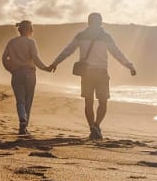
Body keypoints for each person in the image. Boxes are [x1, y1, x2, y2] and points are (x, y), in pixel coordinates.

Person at [48, 12, 136, 140]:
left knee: (88, 103)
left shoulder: (81, 35)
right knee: (103, 102)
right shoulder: (106, 36)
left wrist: (55, 63)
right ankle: (96, 125)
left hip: (87, 74)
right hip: (101, 73)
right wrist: (129, 66)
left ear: (89, 22)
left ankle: (92, 128)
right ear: (100, 22)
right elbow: (117, 54)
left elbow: (67, 50)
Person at [2, 20, 52, 135]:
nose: (33, 31)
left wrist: (10, 69)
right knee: (28, 101)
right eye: (32, 29)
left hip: (16, 74)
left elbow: (4, 58)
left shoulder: (12, 42)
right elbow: (35, 58)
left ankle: (22, 119)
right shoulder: (30, 42)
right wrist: (45, 68)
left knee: (20, 101)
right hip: (30, 73)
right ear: (29, 30)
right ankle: (24, 127)